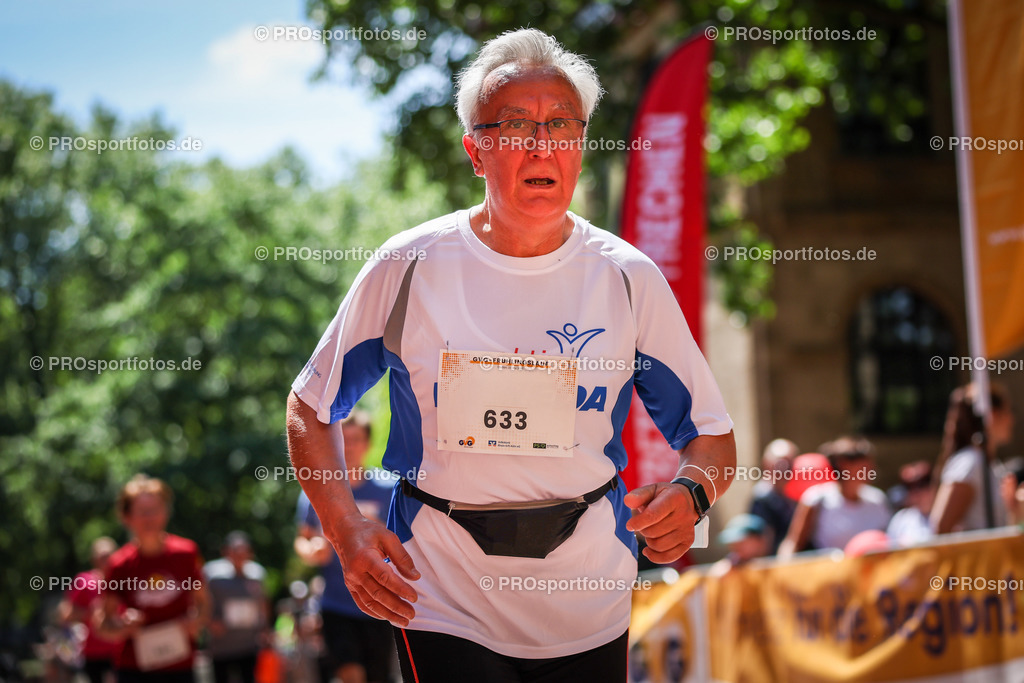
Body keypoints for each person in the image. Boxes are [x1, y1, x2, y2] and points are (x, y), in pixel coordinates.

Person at [285, 28, 735, 683]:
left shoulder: (627, 277)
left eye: (560, 125)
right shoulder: (410, 264)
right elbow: (309, 404)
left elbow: (713, 438)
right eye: (516, 125)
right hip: (440, 585)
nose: (541, 143)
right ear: (475, 150)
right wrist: (345, 529)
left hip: (587, 594)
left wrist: (692, 495)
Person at [294, 411, 395, 683]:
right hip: (335, 604)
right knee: (351, 675)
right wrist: (311, 549)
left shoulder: (389, 488)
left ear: (368, 444)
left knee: (377, 676)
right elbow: (302, 540)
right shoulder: (317, 489)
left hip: (379, 600)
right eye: (343, 439)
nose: (349, 446)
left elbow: (405, 541)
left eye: (355, 439)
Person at [95, 475, 209, 682]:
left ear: (166, 513)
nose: (150, 518)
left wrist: (194, 622)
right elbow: (104, 624)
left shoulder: (186, 553)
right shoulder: (119, 564)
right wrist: (123, 626)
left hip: (180, 666)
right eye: (143, 512)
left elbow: (203, 605)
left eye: (155, 510)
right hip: (134, 669)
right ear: (126, 517)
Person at [778, 437, 891, 558]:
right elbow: (793, 543)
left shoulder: (878, 499)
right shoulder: (816, 500)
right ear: (843, 465)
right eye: (863, 465)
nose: (870, 469)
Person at [931, 383, 1016, 533]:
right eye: (1008, 411)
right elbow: (941, 527)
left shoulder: (988, 463)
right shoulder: (970, 463)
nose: (1012, 419)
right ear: (994, 415)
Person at [203, 531, 269, 683]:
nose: (240, 555)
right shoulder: (212, 575)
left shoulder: (257, 575)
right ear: (226, 551)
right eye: (236, 550)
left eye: (244, 551)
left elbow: (263, 603)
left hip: (249, 645)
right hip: (221, 648)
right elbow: (200, 602)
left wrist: (265, 629)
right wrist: (210, 622)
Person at [57, 537, 119, 683]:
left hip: (119, 651)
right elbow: (65, 614)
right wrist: (91, 612)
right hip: (94, 653)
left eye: (110, 555)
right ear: (94, 559)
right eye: (103, 557)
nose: (107, 560)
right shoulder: (84, 581)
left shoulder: (124, 580)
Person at [748, 438, 798, 554]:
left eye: (789, 463)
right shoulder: (763, 497)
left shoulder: (792, 494)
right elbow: (763, 540)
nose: (785, 467)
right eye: (780, 462)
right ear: (767, 464)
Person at [886, 461, 935, 546]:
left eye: (921, 485)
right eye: (909, 487)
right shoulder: (901, 519)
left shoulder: (949, 515)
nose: (915, 492)